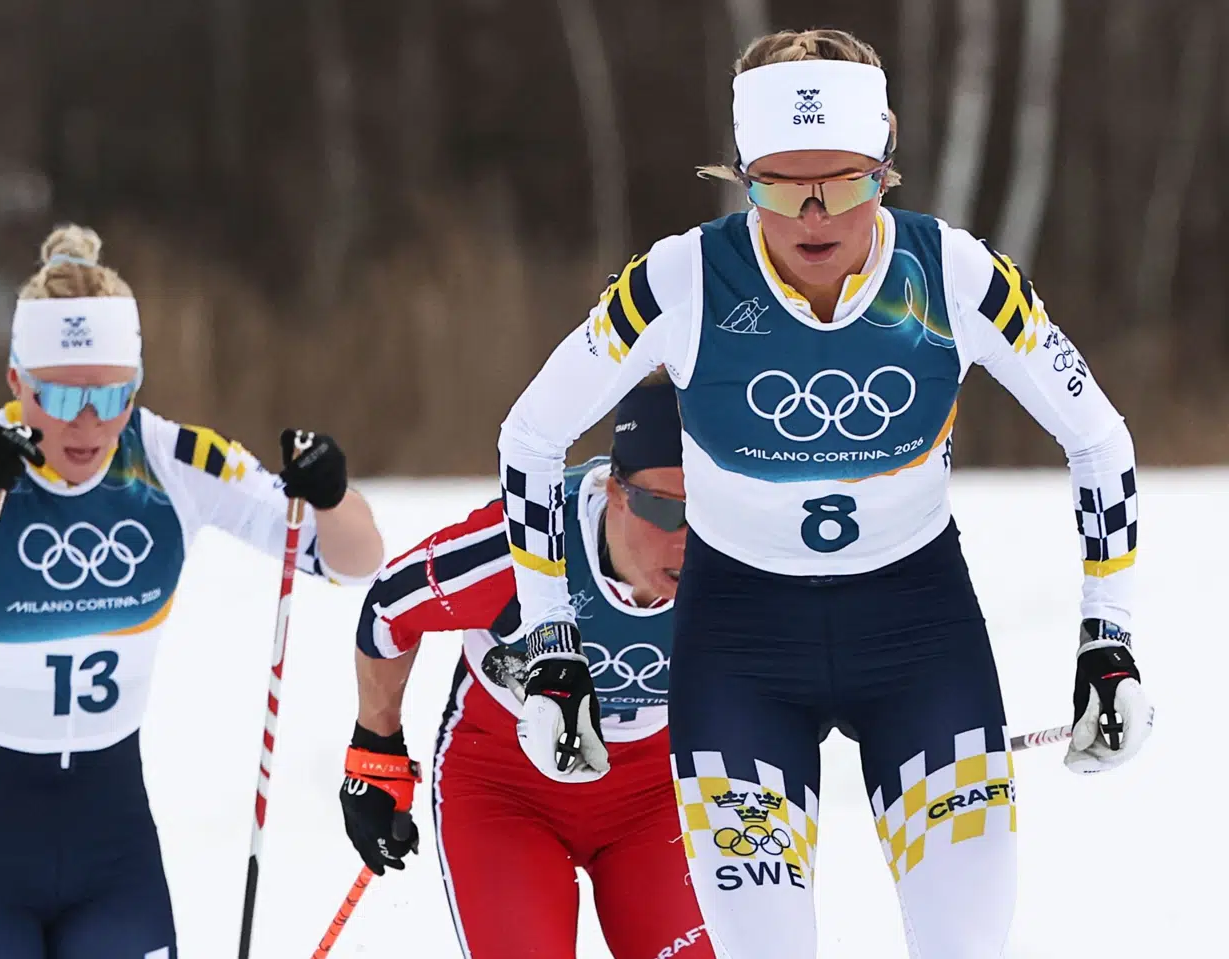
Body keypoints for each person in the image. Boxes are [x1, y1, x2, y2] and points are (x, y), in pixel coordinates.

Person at [491, 28, 1153, 959]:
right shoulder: (681, 279)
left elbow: (1099, 437)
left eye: (842, 180)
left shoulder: (951, 274)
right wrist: (554, 644)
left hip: (919, 638)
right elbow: (530, 435)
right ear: (742, 176)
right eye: (777, 184)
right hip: (741, 651)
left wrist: (1109, 636)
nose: (811, 214)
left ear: (885, 168)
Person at [0, 225, 384, 959]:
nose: (87, 422)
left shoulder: (170, 461)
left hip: (109, 843)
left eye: (111, 394)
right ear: (16, 381)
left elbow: (355, 559)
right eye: (57, 394)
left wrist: (331, 495)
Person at [339, 374, 714, 959]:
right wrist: (376, 745)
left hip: (655, 793)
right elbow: (390, 609)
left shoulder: (742, 556)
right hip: (503, 788)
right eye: (666, 512)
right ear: (616, 492)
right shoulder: (522, 544)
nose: (689, 539)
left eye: (710, 512)